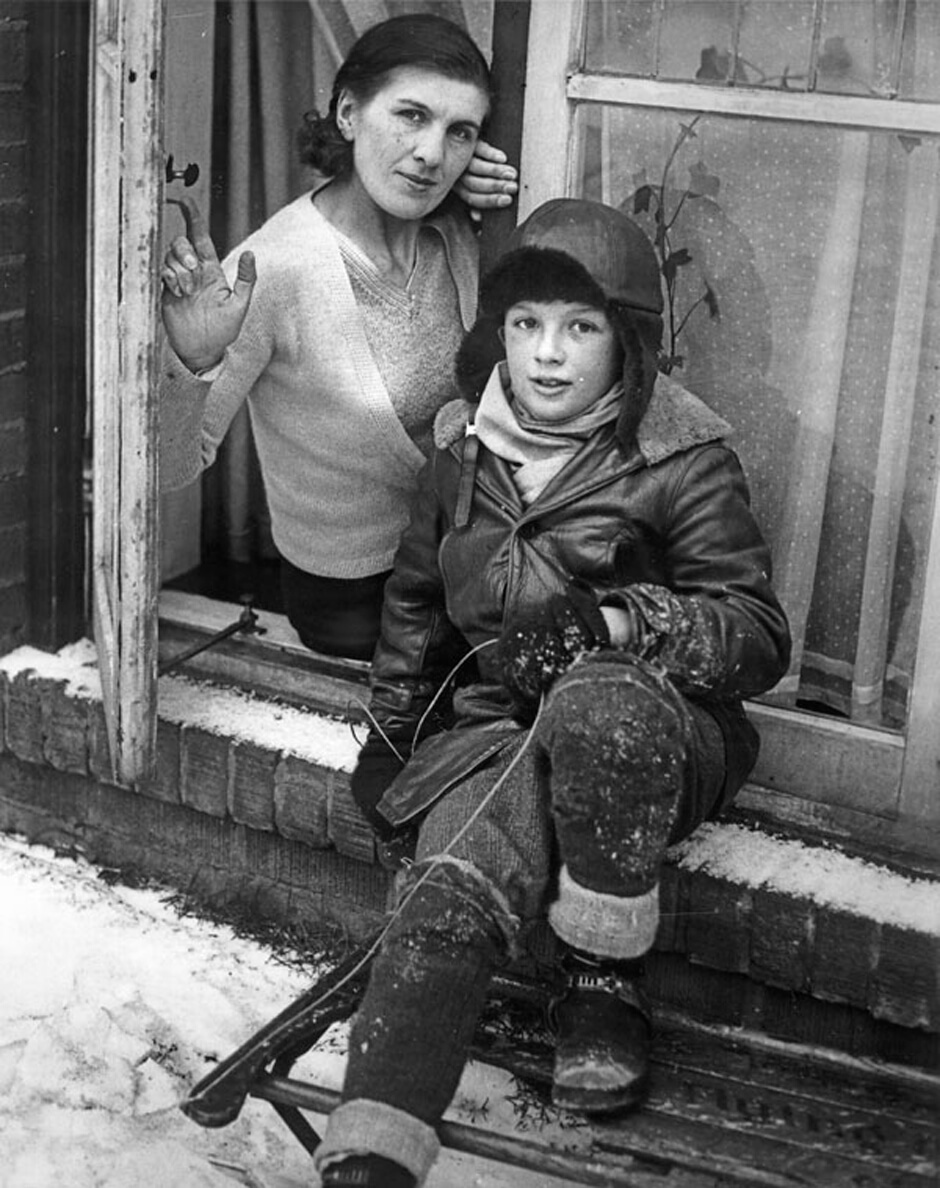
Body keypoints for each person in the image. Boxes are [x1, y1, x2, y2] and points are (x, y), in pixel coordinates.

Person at [315, 198, 792, 1187]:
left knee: (594, 704)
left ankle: (601, 981)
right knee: (447, 890)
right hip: (502, 732)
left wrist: (613, 623)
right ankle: (371, 1147)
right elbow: (414, 598)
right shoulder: (461, 451)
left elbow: (754, 636)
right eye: (526, 324)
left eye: (580, 328)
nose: (546, 354)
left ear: (628, 343)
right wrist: (394, 728)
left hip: (653, 729)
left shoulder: (680, 458)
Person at [158, 13, 517, 660]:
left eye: (459, 132)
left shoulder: (461, 231)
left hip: (462, 559)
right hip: (354, 596)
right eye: (410, 116)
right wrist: (194, 358)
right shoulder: (274, 267)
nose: (433, 152)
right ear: (349, 114)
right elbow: (168, 468)